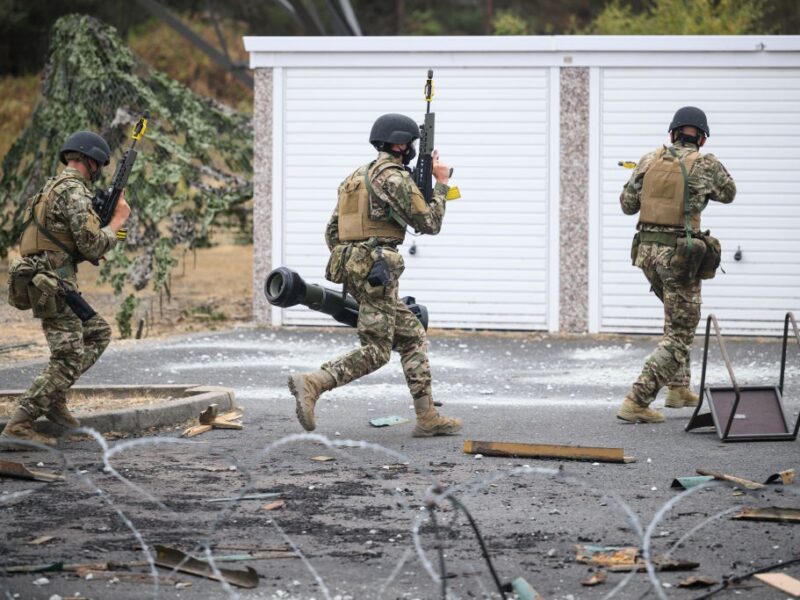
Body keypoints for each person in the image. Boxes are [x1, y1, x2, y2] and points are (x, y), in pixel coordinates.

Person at [288, 113, 462, 437]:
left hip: (357, 267)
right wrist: (441, 183)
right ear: (398, 144)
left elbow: (332, 231)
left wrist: (354, 260)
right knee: (377, 350)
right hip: (375, 271)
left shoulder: (356, 177)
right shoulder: (393, 178)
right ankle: (313, 383)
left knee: (411, 336)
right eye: (409, 144)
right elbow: (430, 224)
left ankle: (427, 419)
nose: (410, 149)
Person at [1, 131, 131, 448]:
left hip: (52, 281)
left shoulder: (52, 188)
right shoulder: (74, 192)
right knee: (67, 358)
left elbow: (62, 242)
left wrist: (84, 248)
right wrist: (117, 222)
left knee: (97, 332)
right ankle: (20, 424)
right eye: (98, 164)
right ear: (90, 161)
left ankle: (54, 399)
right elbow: (91, 242)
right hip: (55, 285)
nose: (99, 169)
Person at [616, 106, 736, 424]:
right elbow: (729, 194)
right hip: (679, 257)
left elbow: (628, 205)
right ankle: (637, 400)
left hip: (647, 255)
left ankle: (678, 389)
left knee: (675, 319)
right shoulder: (706, 164)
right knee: (681, 332)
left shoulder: (648, 159)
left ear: (671, 134)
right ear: (703, 140)